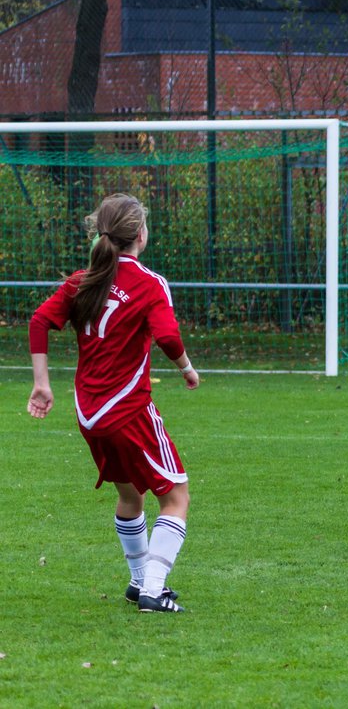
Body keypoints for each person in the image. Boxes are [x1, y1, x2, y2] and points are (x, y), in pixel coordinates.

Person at [27, 193, 199, 612]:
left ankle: (140, 582)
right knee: (176, 496)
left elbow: (39, 321)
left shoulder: (83, 279)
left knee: (131, 496)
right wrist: (187, 368)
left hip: (89, 413)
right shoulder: (148, 282)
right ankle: (154, 591)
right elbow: (169, 337)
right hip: (127, 410)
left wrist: (42, 385)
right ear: (141, 234)